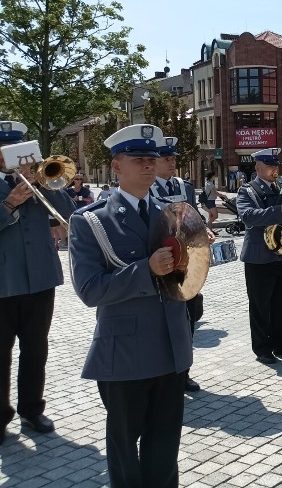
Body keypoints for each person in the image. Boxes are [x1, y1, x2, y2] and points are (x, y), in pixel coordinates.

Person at [68, 124, 192, 488]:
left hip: (171, 346)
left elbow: (184, 280)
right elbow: (90, 290)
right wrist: (145, 270)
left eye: (152, 160)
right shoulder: (91, 220)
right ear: (116, 166)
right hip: (125, 354)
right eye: (138, 160)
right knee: (124, 446)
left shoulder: (173, 214)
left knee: (165, 445)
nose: (149, 166)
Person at [0, 121, 75, 445]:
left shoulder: (42, 180)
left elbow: (70, 215)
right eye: (7, 151)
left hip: (40, 281)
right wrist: (9, 203)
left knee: (36, 349)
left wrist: (45, 185)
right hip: (3, 284)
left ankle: (32, 409)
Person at [150, 136, 206, 393]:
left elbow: (193, 217)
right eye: (166, 159)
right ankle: (165, 373)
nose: (171, 163)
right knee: (164, 320)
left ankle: (184, 371)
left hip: (187, 262)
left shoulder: (184, 185)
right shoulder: (149, 188)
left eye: (173, 158)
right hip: (164, 261)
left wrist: (203, 231)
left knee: (189, 315)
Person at [237, 148, 282, 364]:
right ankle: (262, 348)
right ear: (257, 167)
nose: (275, 169)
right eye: (270, 165)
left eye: (276, 165)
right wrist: (279, 211)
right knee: (260, 305)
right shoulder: (248, 190)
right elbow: (247, 217)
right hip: (259, 257)